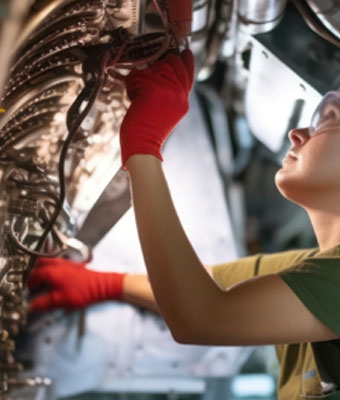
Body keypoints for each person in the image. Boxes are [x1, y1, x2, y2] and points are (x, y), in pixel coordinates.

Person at [28, 50, 340, 399]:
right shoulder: (315, 270)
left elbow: (201, 315)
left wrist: (144, 147)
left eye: (328, 118)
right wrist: (105, 285)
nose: (298, 133)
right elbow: (205, 284)